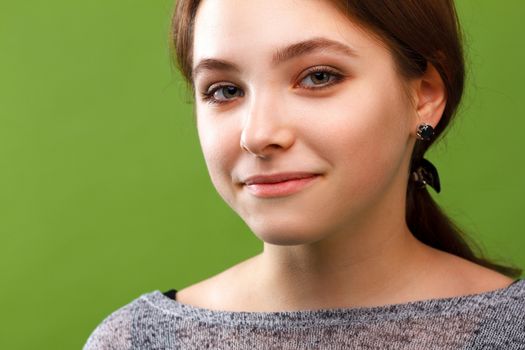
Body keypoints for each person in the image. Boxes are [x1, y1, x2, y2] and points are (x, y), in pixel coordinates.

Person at [83, 0, 524, 348]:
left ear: (424, 95)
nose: (258, 135)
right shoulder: (135, 340)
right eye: (225, 90)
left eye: (317, 77)